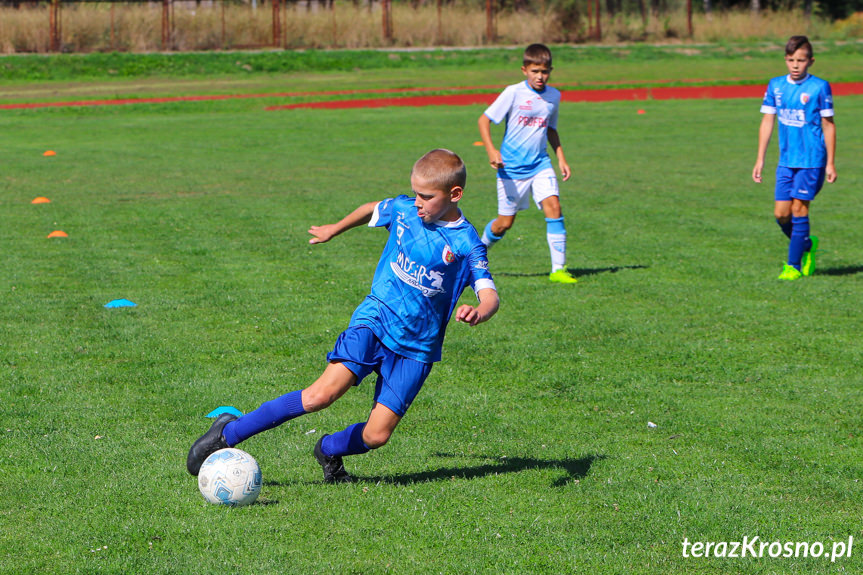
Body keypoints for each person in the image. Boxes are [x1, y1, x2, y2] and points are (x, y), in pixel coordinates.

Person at [187, 149, 499, 483]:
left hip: (417, 348)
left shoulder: (466, 244)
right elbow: (371, 210)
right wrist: (334, 229)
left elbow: (490, 294)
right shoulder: (404, 210)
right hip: (375, 320)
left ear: (454, 194)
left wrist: (479, 311)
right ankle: (229, 433)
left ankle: (329, 449)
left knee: (377, 436)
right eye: (416, 193)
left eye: (426, 196)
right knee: (320, 395)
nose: (418, 202)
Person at [477, 43, 577, 284]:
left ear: (550, 71)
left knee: (554, 206)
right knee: (504, 224)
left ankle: (558, 270)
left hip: (540, 164)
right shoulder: (513, 92)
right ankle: (477, 251)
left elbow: (551, 129)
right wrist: (492, 151)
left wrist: (561, 158)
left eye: (544, 71)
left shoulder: (554, 96)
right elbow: (484, 120)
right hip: (510, 169)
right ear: (524, 70)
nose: (540, 77)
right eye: (535, 71)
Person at [752, 35, 837, 281]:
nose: (795, 65)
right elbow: (767, 121)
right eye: (791, 60)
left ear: (811, 61)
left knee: (799, 209)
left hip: (812, 161)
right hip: (786, 161)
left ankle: (793, 266)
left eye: (801, 60)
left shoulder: (819, 87)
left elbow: (828, 125)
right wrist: (760, 159)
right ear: (786, 60)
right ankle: (807, 245)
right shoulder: (776, 85)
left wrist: (830, 162)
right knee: (781, 214)